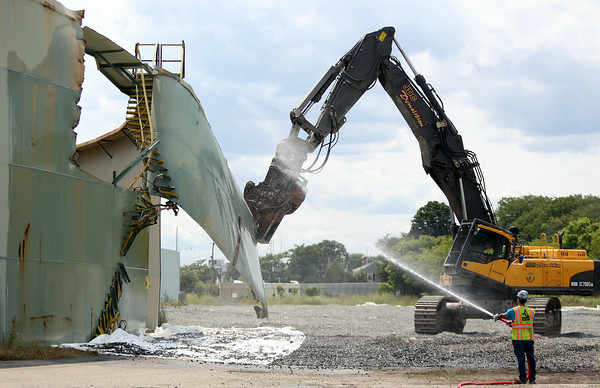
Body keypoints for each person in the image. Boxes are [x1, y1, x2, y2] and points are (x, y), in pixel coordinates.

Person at [494, 290, 536, 384]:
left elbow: (504, 316)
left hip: (518, 339)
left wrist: (497, 316)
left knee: (521, 358)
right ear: (526, 300)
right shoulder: (531, 312)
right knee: (531, 359)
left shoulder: (513, 310)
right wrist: (513, 323)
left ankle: (523, 379)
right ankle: (532, 379)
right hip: (529, 339)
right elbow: (526, 322)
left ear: (518, 299)